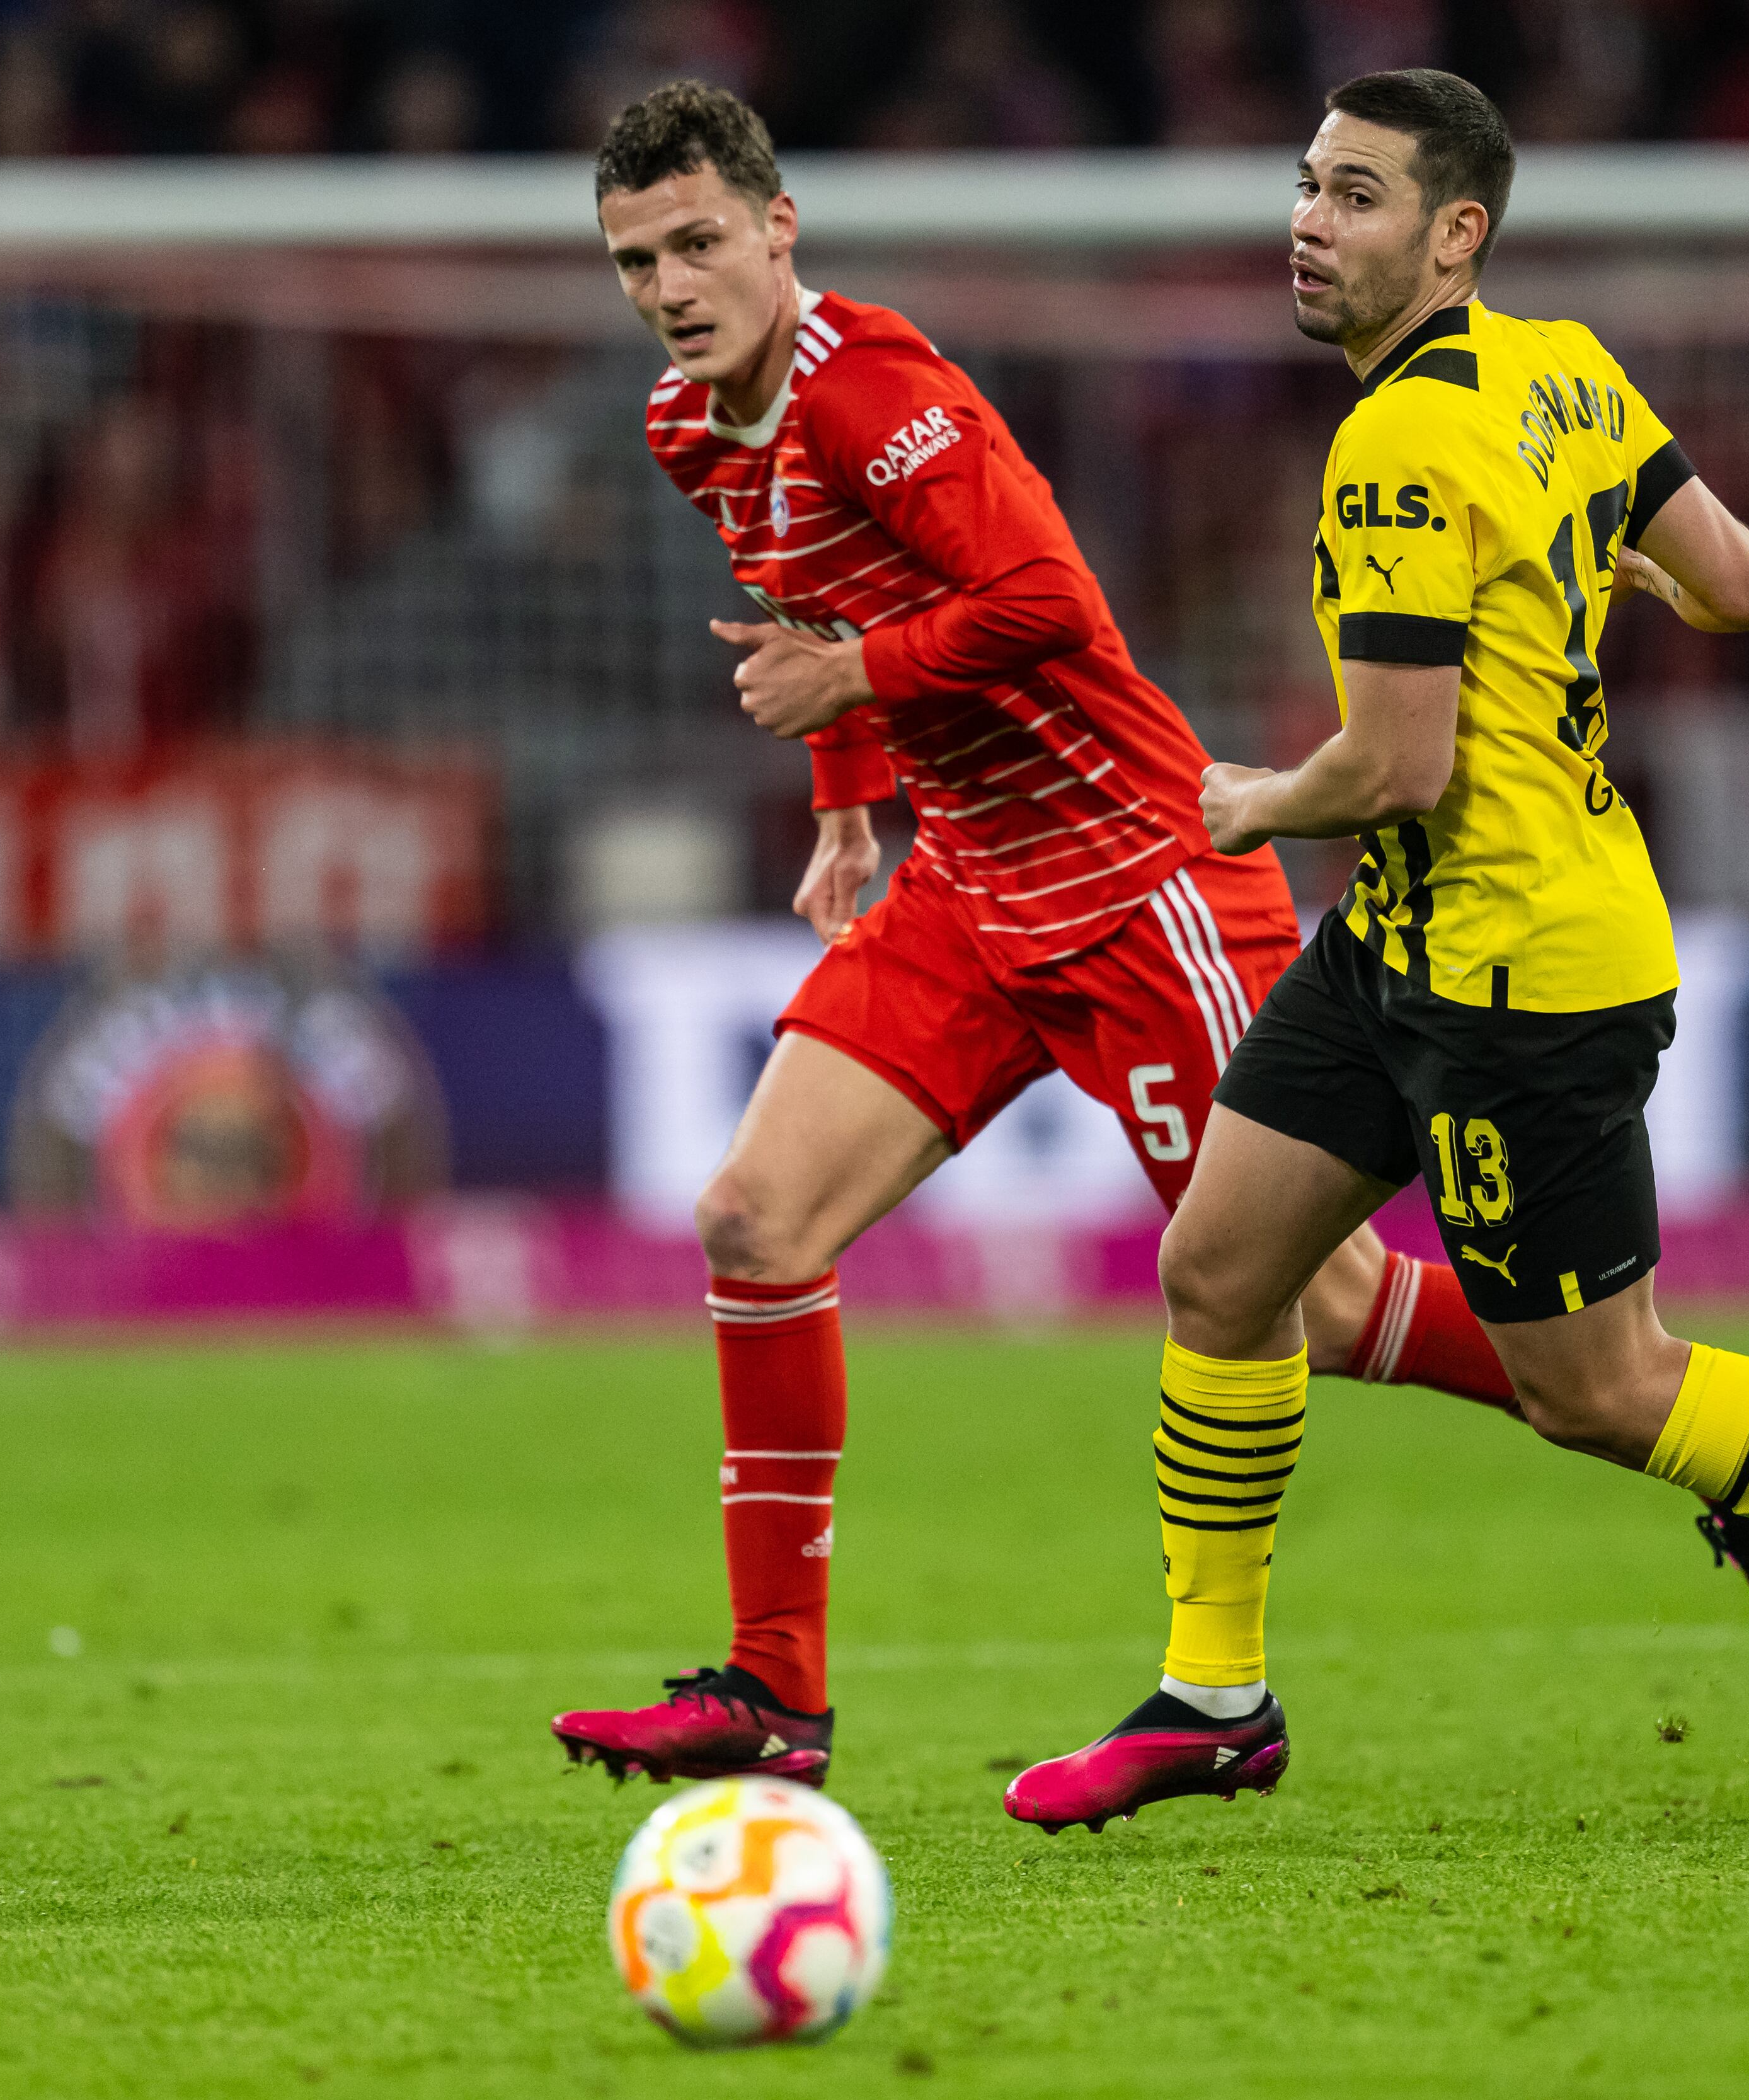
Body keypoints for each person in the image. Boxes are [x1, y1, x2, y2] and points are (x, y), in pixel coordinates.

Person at [1004, 69, 1749, 1833]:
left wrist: (1247, 802)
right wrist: (1568, 595)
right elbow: (1742, 586)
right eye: (1307, 186)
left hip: (1524, 975)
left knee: (1603, 1390)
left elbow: (1394, 766)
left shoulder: (1399, 443)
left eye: (1359, 199)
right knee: (1222, 1272)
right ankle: (1212, 1696)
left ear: (1456, 236)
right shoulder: (1570, 369)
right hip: (1402, 942)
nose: (1310, 224)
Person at [551, 81, 1534, 1790]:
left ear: (780, 232)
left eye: (700, 243)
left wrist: (853, 684)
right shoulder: (689, 424)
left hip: (1143, 875)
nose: (670, 286)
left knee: (1314, 1308)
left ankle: (1668, 1430)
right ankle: (774, 1700)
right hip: (969, 884)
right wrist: (849, 805)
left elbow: (1047, 607)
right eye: (638, 260)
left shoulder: (875, 395)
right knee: (755, 1219)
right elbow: (816, 607)